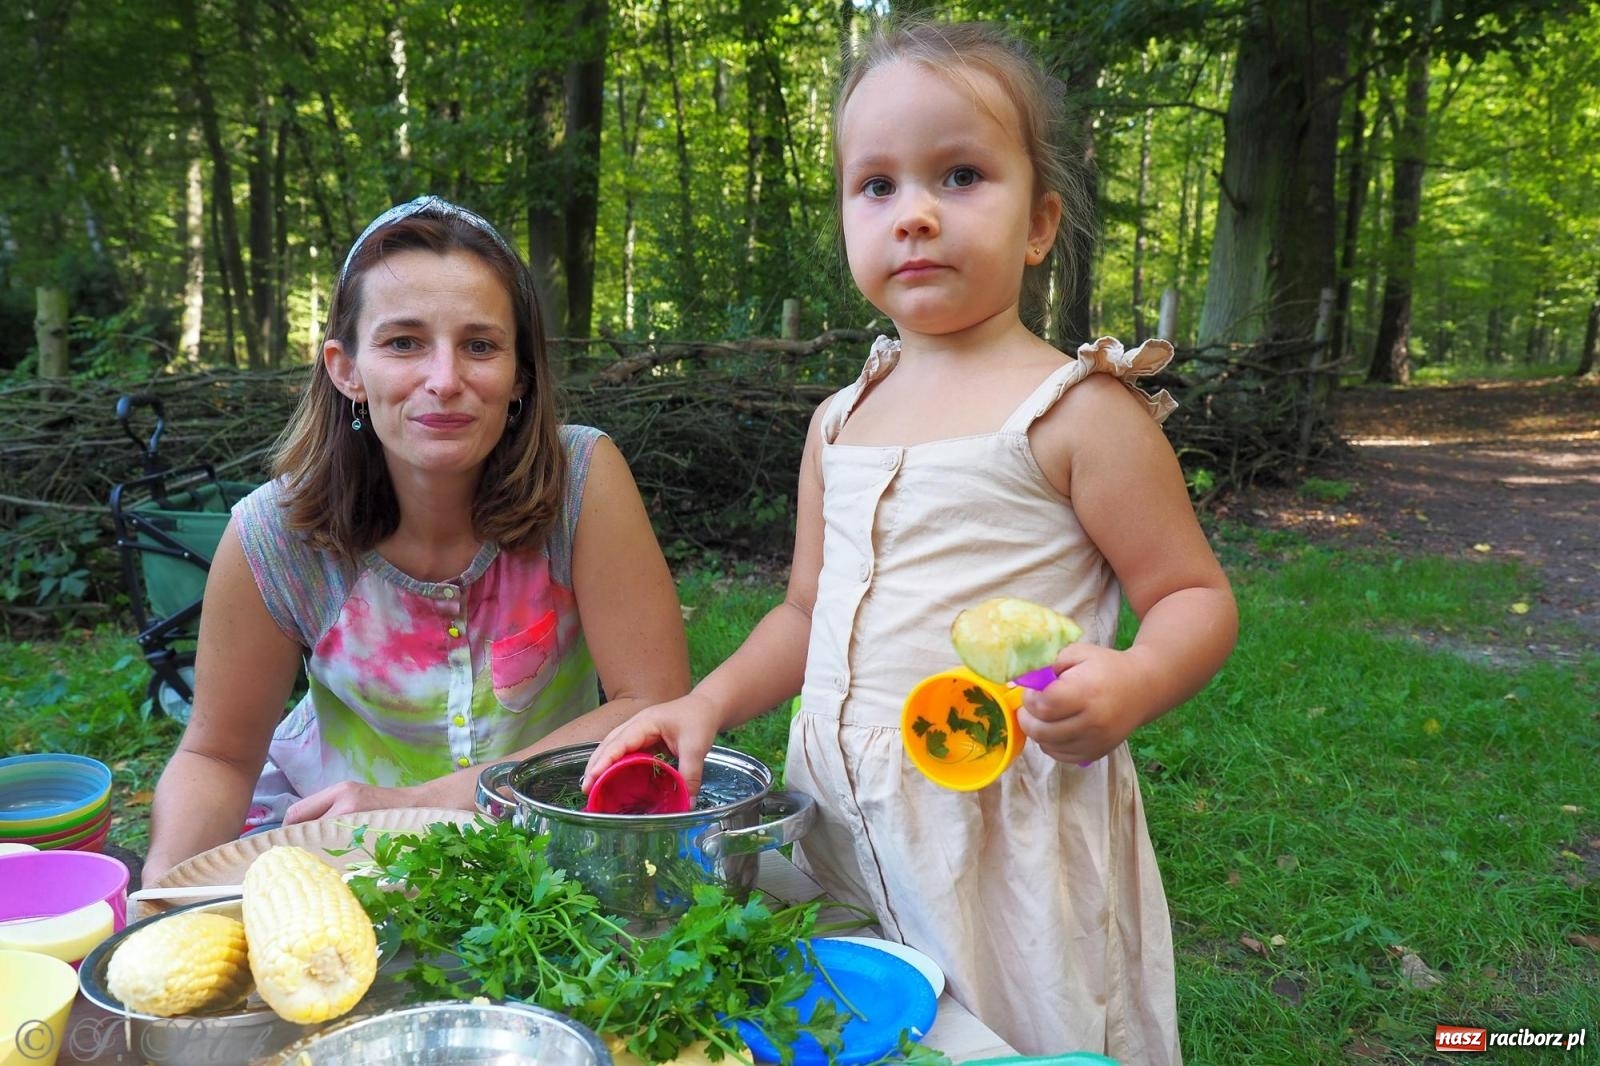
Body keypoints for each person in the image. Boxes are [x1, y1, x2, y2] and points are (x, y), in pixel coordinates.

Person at [581, 21, 1235, 1061]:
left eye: (961, 175)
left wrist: (1133, 681)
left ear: (1038, 222)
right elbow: (805, 609)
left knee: (1006, 1032)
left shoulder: (1074, 412)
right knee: (851, 1022)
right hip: (836, 814)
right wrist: (701, 701)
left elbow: (1195, 594)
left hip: (996, 834)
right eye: (876, 185)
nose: (915, 214)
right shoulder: (839, 419)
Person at [144, 196, 690, 882]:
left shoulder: (582, 480)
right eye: (403, 342)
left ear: (520, 374)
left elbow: (654, 706)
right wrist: (160, 893)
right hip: (336, 855)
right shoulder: (272, 534)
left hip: (551, 844)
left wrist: (415, 808)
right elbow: (217, 757)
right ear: (347, 370)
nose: (444, 380)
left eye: (480, 345)